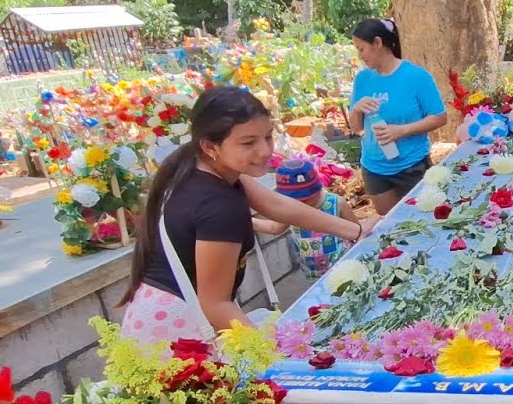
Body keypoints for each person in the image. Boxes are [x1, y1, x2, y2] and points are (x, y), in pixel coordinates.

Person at [119, 86, 378, 343]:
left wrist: (355, 230)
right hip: (175, 333)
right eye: (248, 142)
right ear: (211, 146)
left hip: (159, 311)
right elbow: (215, 304)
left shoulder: (204, 166)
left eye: (267, 137)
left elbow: (277, 206)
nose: (265, 151)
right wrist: (274, 355)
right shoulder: (219, 207)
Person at [347, 18, 447, 215]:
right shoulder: (362, 79)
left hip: (412, 166)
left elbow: (439, 117)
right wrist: (357, 109)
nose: (360, 57)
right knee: (391, 227)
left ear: (378, 43)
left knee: (426, 219)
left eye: (361, 49)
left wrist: (402, 131)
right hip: (374, 169)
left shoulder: (416, 77)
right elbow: (356, 127)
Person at [255, 157, 359, 281]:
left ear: (317, 189)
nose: (302, 204)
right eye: (296, 201)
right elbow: (274, 227)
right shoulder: (291, 210)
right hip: (314, 275)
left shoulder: (336, 203)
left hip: (345, 269)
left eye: (306, 199)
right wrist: (248, 221)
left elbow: (358, 232)